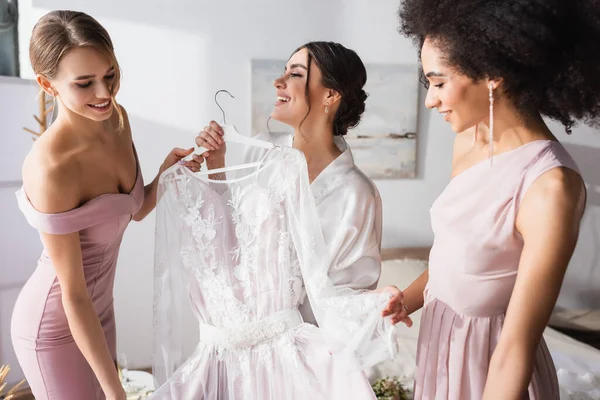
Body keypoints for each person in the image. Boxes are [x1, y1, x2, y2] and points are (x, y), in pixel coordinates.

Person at [397, 0, 600, 398]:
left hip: (492, 372)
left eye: (438, 83)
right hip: (440, 349)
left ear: (492, 75)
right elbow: (453, 258)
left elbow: (516, 345)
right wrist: (406, 300)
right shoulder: (469, 140)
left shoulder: (550, 186)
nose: (430, 101)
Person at [10, 10, 202, 400]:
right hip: (56, 323)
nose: (104, 93)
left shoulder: (117, 120)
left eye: (110, 75)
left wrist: (167, 171)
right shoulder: (53, 167)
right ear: (48, 85)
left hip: (100, 312)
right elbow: (73, 293)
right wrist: (116, 391)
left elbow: (137, 208)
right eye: (85, 83)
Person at [196, 41, 410, 328]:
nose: (278, 82)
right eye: (284, 72)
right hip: (233, 334)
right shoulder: (261, 152)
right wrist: (217, 167)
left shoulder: (356, 193)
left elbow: (345, 296)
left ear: (331, 94)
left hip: (299, 350)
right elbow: (230, 238)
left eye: (295, 74)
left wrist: (377, 301)